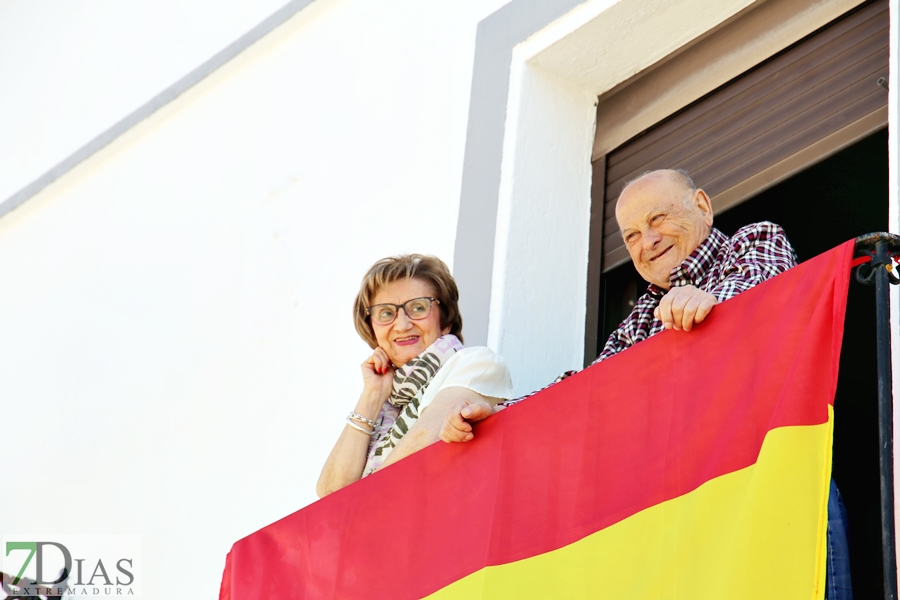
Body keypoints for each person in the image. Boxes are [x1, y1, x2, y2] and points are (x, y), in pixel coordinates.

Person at [439, 168, 852, 599]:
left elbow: (763, 287)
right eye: (632, 235)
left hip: (778, 489)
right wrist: (496, 418)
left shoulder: (752, 242)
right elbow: (584, 390)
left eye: (658, 219)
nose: (647, 241)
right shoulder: (640, 317)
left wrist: (714, 304)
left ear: (703, 206)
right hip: (702, 520)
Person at [316, 254, 513, 497]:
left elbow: (421, 445)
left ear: (446, 321)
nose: (402, 325)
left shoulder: (477, 363)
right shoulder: (385, 403)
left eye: (418, 308)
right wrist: (372, 396)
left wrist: (355, 511)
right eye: (386, 313)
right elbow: (330, 494)